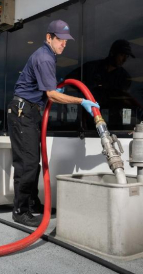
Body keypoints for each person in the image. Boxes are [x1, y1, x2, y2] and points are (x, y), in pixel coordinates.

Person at [7, 19, 100, 227]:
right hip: (23, 112)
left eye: (66, 41)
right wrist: (81, 101)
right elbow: (51, 95)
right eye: (60, 39)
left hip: (29, 111)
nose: (64, 44)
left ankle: (31, 204)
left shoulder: (47, 55)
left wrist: (51, 91)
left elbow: (45, 91)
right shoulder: (45, 58)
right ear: (49, 37)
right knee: (27, 163)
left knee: (32, 163)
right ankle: (20, 210)